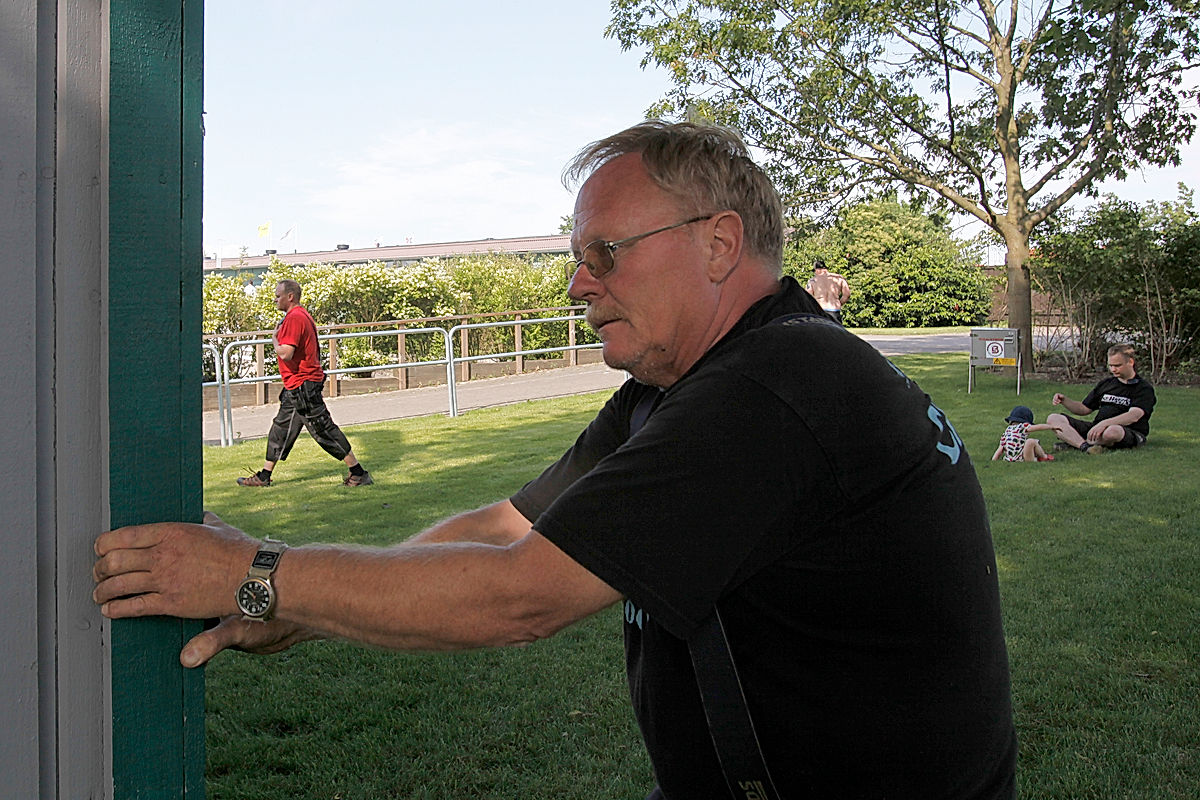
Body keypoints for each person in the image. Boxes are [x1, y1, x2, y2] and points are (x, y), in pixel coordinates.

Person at [93, 121, 1015, 799]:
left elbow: (520, 594)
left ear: (719, 243)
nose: (579, 283)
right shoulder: (689, 384)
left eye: (605, 253)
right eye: (579, 256)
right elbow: (505, 527)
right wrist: (289, 605)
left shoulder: (774, 388)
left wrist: (256, 574)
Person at [237, 279, 372, 487]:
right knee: (280, 429)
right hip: (295, 387)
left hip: (303, 386)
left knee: (322, 429)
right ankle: (264, 476)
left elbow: (286, 353)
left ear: (290, 296)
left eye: (278, 295)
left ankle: (358, 472)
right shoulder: (297, 316)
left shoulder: (295, 318)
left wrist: (274, 339)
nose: (275, 300)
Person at [1046, 343, 1156, 455]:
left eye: (1117, 365)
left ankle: (1073, 442)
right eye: (1110, 365)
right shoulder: (1106, 384)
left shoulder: (1143, 388)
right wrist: (1065, 400)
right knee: (1053, 419)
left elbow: (1134, 416)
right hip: (1097, 429)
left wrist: (1104, 424)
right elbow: (1084, 409)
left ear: (1130, 362)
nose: (1113, 369)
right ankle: (1084, 446)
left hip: (1125, 431)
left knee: (1112, 431)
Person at [991, 405, 1055, 462]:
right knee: (1031, 442)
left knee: (1029, 443)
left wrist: (993, 460)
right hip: (1023, 459)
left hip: (1009, 460)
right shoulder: (1022, 426)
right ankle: (1044, 457)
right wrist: (1051, 427)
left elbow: (1000, 449)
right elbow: (1038, 427)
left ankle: (1036, 457)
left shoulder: (1007, 431)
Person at [804, 257, 851, 324]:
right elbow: (847, 295)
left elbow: (808, 297)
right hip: (835, 310)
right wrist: (839, 303)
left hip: (820, 311)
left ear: (817, 270)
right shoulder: (839, 278)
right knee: (836, 333)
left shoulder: (812, 281)